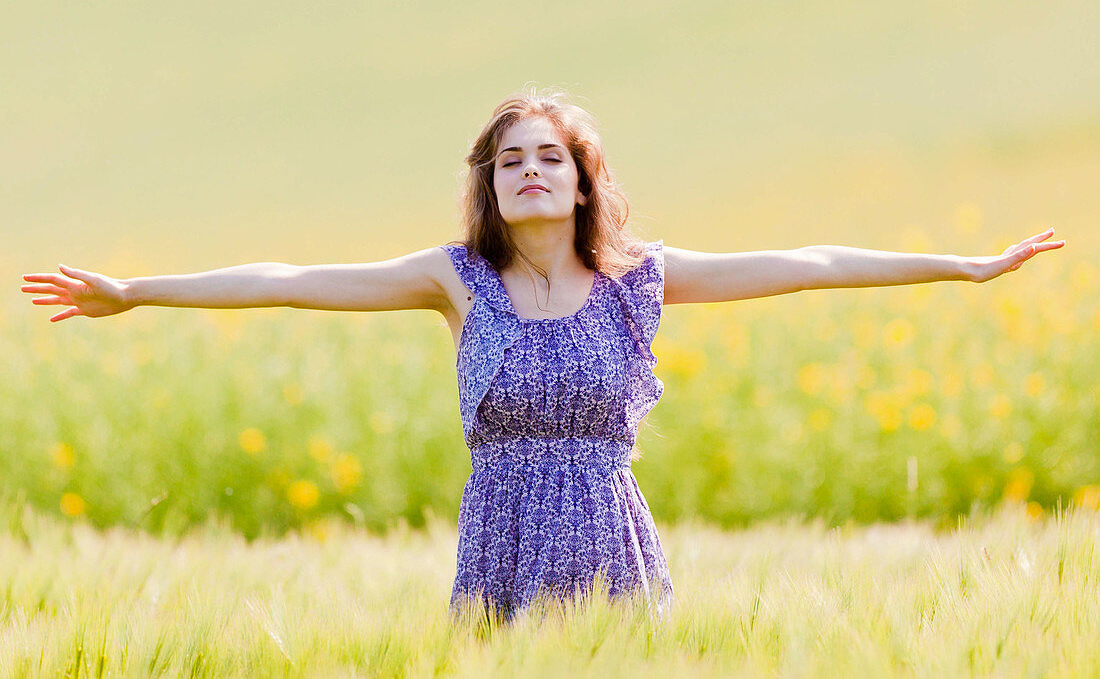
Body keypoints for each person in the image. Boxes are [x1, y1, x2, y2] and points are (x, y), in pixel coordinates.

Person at [21, 86, 1065, 624]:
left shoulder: (639, 278)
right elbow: (285, 276)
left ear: (580, 181)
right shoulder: (451, 281)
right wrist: (136, 291)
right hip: (501, 551)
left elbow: (808, 260)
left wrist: (962, 268)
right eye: (509, 158)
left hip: (613, 547)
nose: (529, 171)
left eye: (548, 157)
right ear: (490, 184)